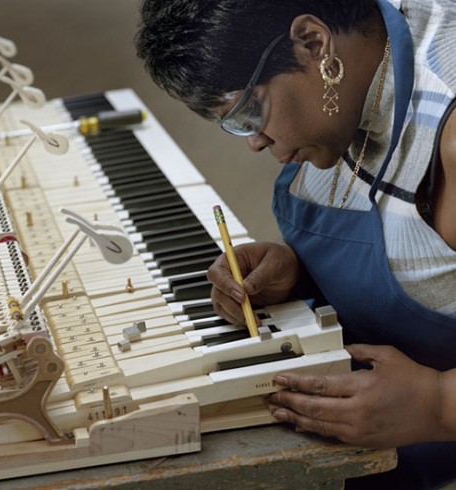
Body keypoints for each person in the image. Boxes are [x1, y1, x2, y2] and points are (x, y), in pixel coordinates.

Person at [135, 0, 456, 488]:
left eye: (249, 113)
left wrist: (438, 403)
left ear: (312, 42)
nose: (254, 143)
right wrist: (305, 274)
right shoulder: (349, 81)